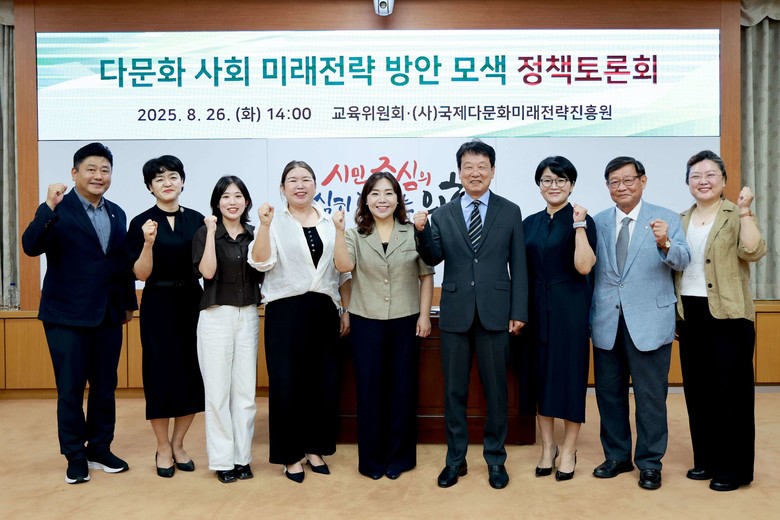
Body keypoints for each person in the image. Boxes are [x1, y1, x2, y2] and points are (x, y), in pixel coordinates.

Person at [414, 140, 528, 490]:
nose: (475, 173)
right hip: (456, 314)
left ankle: (495, 459)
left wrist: (518, 310)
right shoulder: (443, 214)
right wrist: (421, 233)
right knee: (454, 392)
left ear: (492, 171)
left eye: (482, 166)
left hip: (496, 313)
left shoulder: (510, 211)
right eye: (468, 167)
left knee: (496, 392)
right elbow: (433, 258)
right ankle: (455, 460)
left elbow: (519, 265)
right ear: (459, 171)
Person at [21, 142, 137, 484]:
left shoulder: (117, 213)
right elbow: (30, 246)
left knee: (105, 386)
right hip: (65, 316)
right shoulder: (58, 208)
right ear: (75, 173)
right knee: (70, 389)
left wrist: (127, 305)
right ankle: (74, 455)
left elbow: (120, 264)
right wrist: (47, 206)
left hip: (108, 314)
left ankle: (99, 447)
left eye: (105, 170)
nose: (99, 176)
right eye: (91, 169)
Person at [590, 156, 691, 491]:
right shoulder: (598, 222)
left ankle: (650, 463)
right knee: (609, 395)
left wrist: (664, 242)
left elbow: (683, 260)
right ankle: (617, 456)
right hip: (607, 321)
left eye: (628, 180)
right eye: (614, 182)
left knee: (650, 397)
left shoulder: (666, 218)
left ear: (643, 181)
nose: (621, 187)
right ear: (607, 187)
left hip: (650, 322)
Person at [248, 160, 351, 484]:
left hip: (324, 310)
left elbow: (343, 272)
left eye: (306, 179)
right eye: (292, 180)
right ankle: (290, 455)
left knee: (321, 383)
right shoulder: (274, 221)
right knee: (286, 383)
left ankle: (315, 448)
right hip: (286, 311)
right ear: (283, 188)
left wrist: (346, 310)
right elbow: (260, 262)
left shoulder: (330, 222)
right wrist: (264, 226)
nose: (300, 185)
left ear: (316, 185)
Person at [333, 171, 434, 480]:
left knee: (403, 390)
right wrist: (338, 232)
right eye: (375, 193)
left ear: (398, 199)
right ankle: (372, 461)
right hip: (366, 321)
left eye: (389, 193)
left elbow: (426, 275)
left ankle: (400, 459)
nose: (382, 199)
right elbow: (344, 267)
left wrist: (424, 315)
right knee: (369, 391)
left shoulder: (412, 231)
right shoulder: (354, 235)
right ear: (366, 200)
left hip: (405, 320)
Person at [675, 150, 766, 492]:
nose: (703, 181)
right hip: (690, 314)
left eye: (710, 174)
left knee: (732, 394)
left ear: (724, 180)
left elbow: (753, 251)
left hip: (729, 314)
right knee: (698, 392)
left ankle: (734, 469)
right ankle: (707, 460)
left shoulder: (735, 213)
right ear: (688, 183)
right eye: (696, 176)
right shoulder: (680, 219)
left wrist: (745, 210)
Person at [125, 155, 205, 478]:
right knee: (158, 374)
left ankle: (178, 443)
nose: (167, 183)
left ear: (182, 181)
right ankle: (162, 447)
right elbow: (141, 274)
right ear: (150, 187)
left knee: (190, 373)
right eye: (159, 179)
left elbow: (205, 267)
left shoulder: (198, 220)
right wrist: (148, 244)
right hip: (157, 303)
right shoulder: (140, 222)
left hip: (193, 303)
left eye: (173, 176)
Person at [523, 156, 596, 482]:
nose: (554, 186)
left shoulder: (583, 220)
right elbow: (520, 271)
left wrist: (579, 226)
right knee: (541, 379)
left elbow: (584, 266)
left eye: (561, 180)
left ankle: (568, 449)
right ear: (539, 185)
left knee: (569, 379)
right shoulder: (529, 223)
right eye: (547, 180)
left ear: (572, 184)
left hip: (570, 313)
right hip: (536, 312)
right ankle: (547, 447)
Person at [192, 175, 263, 484]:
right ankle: (223, 461)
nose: (232, 202)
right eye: (225, 197)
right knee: (218, 392)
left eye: (237, 196)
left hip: (248, 314)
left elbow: (264, 270)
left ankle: (242, 458)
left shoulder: (254, 234)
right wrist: (210, 232)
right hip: (216, 316)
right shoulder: (204, 233)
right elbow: (207, 272)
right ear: (217, 202)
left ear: (246, 201)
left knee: (245, 392)